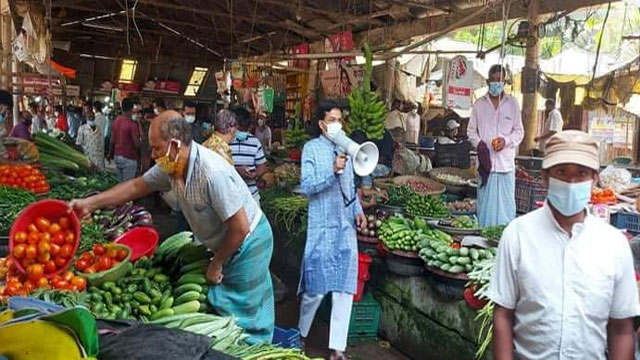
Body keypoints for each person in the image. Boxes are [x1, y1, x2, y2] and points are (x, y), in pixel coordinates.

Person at [69, 110, 274, 344]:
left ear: (175, 145)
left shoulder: (211, 173)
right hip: (228, 239)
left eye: (156, 148)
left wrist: (217, 262)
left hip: (249, 241)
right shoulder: (172, 167)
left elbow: (240, 227)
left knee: (242, 317)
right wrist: (89, 203)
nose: (153, 155)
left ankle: (259, 350)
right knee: (227, 304)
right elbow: (136, 186)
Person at [489, 130, 640, 360]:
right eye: (562, 172)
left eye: (581, 173)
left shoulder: (614, 245)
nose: (571, 183)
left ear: (594, 180)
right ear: (546, 177)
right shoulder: (518, 235)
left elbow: (621, 328)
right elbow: (503, 315)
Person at [297, 100, 367, 360]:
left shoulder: (346, 148)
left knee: (344, 290)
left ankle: (338, 349)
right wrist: (331, 170)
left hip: (345, 227)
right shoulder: (311, 149)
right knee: (315, 288)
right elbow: (307, 186)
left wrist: (358, 210)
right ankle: (301, 335)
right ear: (321, 124)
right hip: (322, 227)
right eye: (332, 119)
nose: (337, 124)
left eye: (340, 120)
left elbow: (349, 189)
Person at [468, 64, 524, 227]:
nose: (495, 83)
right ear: (487, 81)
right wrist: (480, 145)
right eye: (492, 80)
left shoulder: (512, 104)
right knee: (485, 207)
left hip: (505, 166)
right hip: (486, 166)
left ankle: (504, 240)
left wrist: (505, 141)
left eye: (499, 80)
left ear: (504, 81)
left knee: (506, 207)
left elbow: (519, 132)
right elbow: (471, 131)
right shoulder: (479, 105)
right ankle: (483, 236)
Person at [230, 107, 267, 203]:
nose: (242, 133)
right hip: (230, 197)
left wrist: (256, 174)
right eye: (240, 129)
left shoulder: (255, 142)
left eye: (245, 130)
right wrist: (237, 171)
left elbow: (262, 166)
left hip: (251, 196)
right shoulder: (225, 142)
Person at [110, 98, 141, 182]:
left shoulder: (116, 121)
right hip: (129, 158)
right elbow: (137, 144)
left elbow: (112, 140)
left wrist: (110, 154)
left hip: (117, 156)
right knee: (127, 188)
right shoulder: (132, 124)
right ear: (131, 109)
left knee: (119, 185)